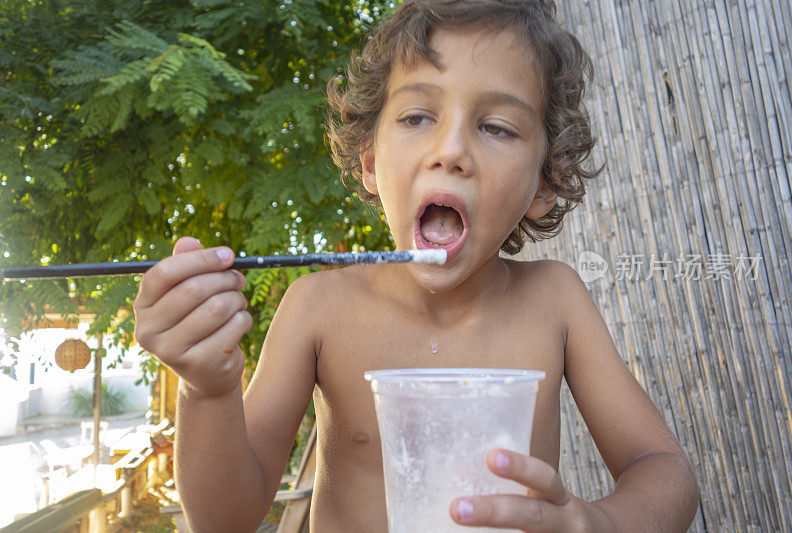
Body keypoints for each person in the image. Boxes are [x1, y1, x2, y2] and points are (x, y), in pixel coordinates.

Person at [133, 1, 699, 531]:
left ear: (542, 185)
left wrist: (599, 523)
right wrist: (207, 391)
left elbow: (664, 468)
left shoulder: (555, 301)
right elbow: (227, 518)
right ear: (373, 165)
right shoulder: (318, 307)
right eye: (417, 117)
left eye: (497, 127)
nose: (450, 150)